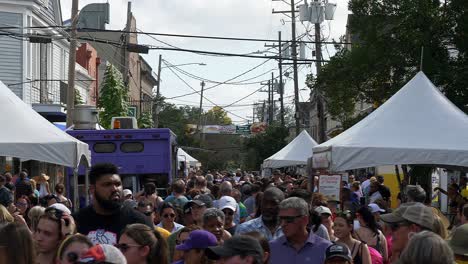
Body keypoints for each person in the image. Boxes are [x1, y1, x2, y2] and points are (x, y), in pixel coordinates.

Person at [73, 163, 152, 245]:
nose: (115, 189)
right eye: (107, 185)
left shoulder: (138, 222)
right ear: (92, 189)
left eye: (118, 184)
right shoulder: (77, 222)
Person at [269, 197, 332, 264]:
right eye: (280, 219)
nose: (283, 224)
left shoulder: (326, 249)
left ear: (305, 220)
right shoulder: (272, 248)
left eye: (289, 220)